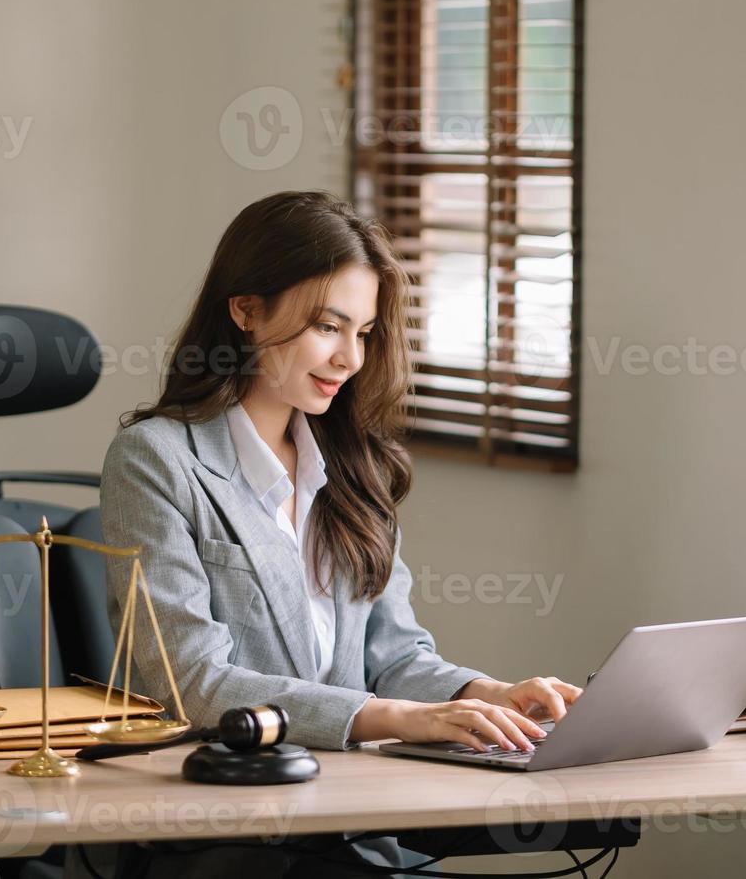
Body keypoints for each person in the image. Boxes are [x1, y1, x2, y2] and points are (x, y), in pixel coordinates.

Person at [75, 190, 581, 878]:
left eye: (364, 332)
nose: (348, 357)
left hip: (348, 824)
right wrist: (395, 718)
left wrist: (481, 694)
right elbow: (190, 682)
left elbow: (394, 656)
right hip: (232, 840)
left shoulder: (351, 465)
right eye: (326, 326)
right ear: (246, 310)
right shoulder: (156, 459)